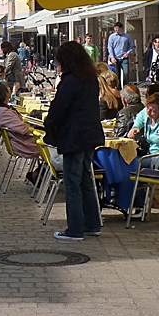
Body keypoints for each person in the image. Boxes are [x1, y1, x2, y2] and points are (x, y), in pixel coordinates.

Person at [44, 41, 104, 241]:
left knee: (72, 182)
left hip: (74, 136)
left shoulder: (69, 82)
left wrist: (49, 123)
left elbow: (58, 110)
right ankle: (92, 223)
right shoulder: (90, 79)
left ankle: (75, 229)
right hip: (91, 134)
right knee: (86, 179)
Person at [0, 81, 39, 156]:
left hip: (20, 142)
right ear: (7, 94)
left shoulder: (1, 109)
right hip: (24, 145)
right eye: (8, 88)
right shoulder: (5, 113)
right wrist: (36, 129)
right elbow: (23, 129)